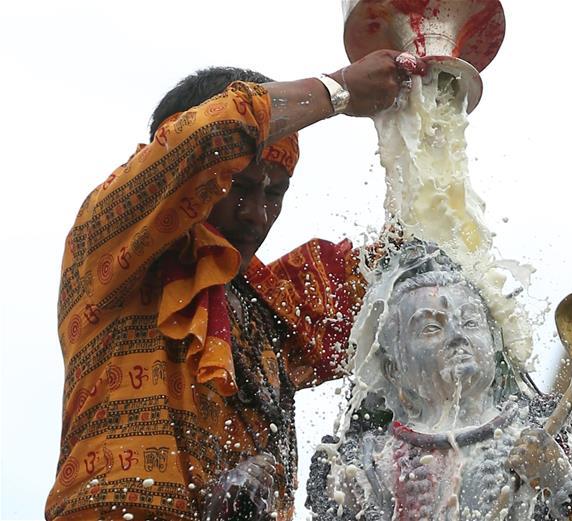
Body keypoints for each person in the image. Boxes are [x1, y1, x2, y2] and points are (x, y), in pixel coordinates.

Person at [47, 50, 426, 521]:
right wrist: (340, 88)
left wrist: (427, 109)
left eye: (274, 193)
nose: (256, 215)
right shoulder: (110, 242)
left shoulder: (267, 305)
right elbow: (208, 135)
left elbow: (404, 272)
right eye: (237, 187)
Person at [307, 242, 572, 520]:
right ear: (393, 368)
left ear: (495, 340)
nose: (457, 336)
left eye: (471, 321)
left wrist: (561, 483)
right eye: (431, 328)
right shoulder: (367, 468)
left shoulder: (557, 445)